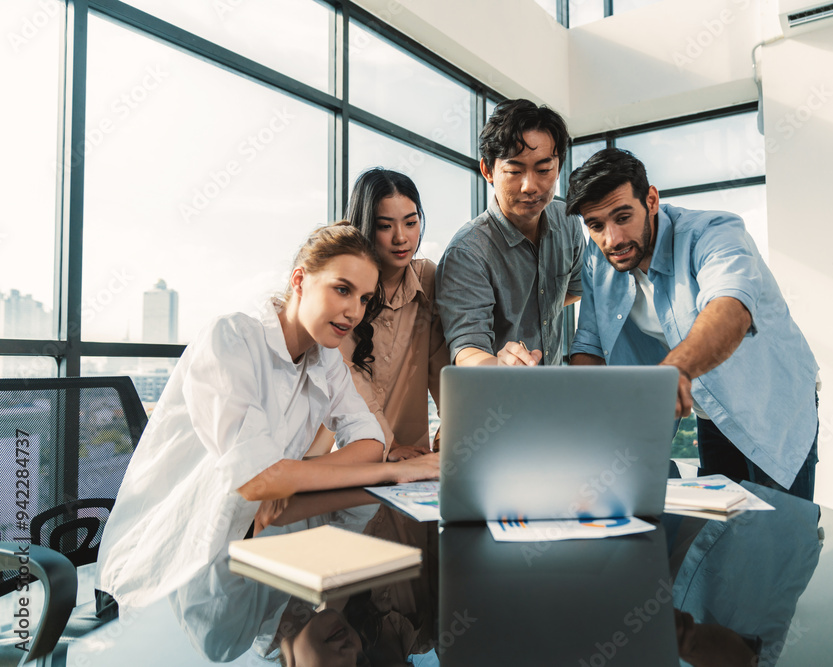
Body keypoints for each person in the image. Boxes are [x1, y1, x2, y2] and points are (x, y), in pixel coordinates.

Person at [96, 222, 440, 610]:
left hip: (249, 546)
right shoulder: (230, 339)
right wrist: (392, 473)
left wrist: (286, 479)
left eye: (363, 299)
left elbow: (371, 443)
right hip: (167, 567)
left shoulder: (325, 359)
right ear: (300, 280)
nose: (354, 312)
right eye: (342, 290)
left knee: (357, 543)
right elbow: (258, 480)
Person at [567, 148, 819, 500]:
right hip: (710, 412)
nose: (613, 239)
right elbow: (590, 345)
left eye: (623, 217)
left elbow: (730, 309)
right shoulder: (599, 258)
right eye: (596, 225)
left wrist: (672, 373)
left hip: (772, 406)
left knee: (781, 525)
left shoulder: (712, 233)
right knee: (722, 522)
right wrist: (580, 417)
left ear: (651, 200)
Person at [435, 98, 586, 367]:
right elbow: (467, 350)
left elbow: (575, 289)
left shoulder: (568, 222)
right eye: (514, 171)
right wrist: (501, 367)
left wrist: (535, 308)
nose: (530, 186)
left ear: (558, 168)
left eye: (543, 170)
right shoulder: (467, 252)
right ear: (488, 170)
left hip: (553, 386)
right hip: (497, 390)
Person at [312, 168, 449, 462]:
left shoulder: (428, 278)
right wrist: (390, 444)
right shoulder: (343, 293)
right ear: (365, 227)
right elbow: (348, 378)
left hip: (414, 459)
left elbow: (441, 366)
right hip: (345, 456)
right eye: (385, 226)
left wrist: (455, 425)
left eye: (411, 223)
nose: (401, 238)